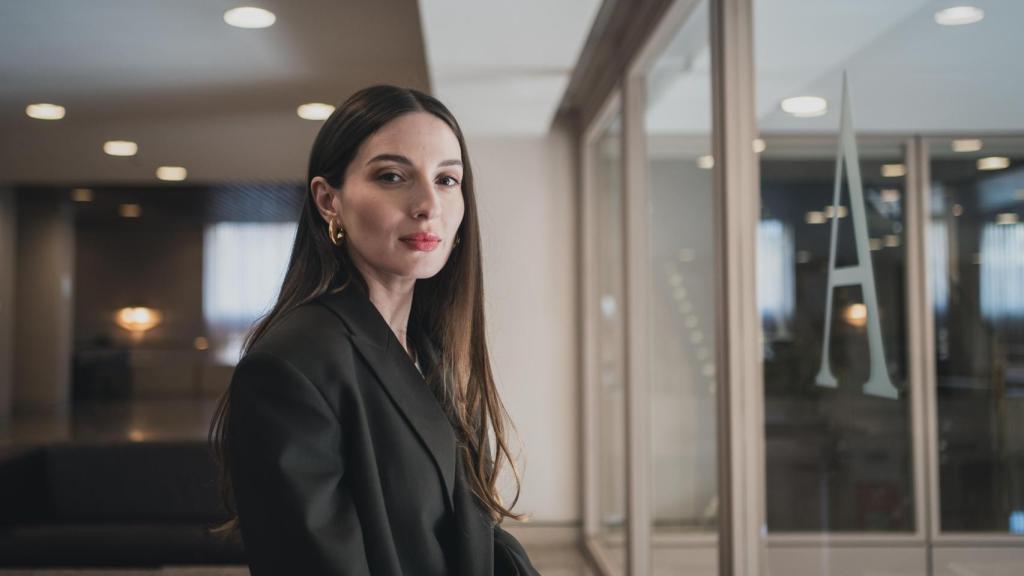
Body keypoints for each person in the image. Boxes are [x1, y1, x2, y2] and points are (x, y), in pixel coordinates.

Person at [207, 85, 540, 575]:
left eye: (448, 180)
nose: (428, 204)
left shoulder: (429, 348)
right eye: (392, 176)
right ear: (329, 201)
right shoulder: (291, 366)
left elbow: (469, 531)